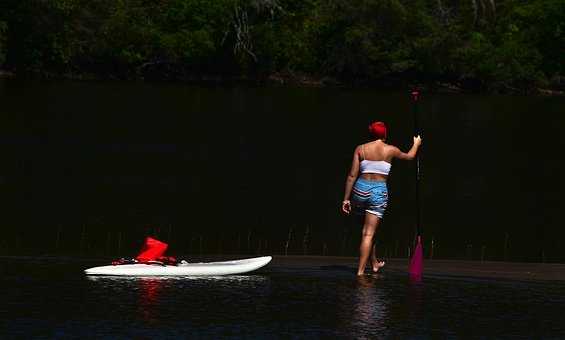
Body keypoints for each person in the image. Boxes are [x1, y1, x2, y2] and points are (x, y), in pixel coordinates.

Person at [342, 121, 422, 276]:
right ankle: (360, 272)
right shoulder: (390, 150)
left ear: (371, 134)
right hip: (378, 192)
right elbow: (410, 156)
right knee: (369, 234)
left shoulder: (361, 149)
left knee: (366, 232)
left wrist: (346, 199)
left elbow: (352, 175)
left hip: (360, 190)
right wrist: (416, 144)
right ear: (385, 134)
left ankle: (374, 263)